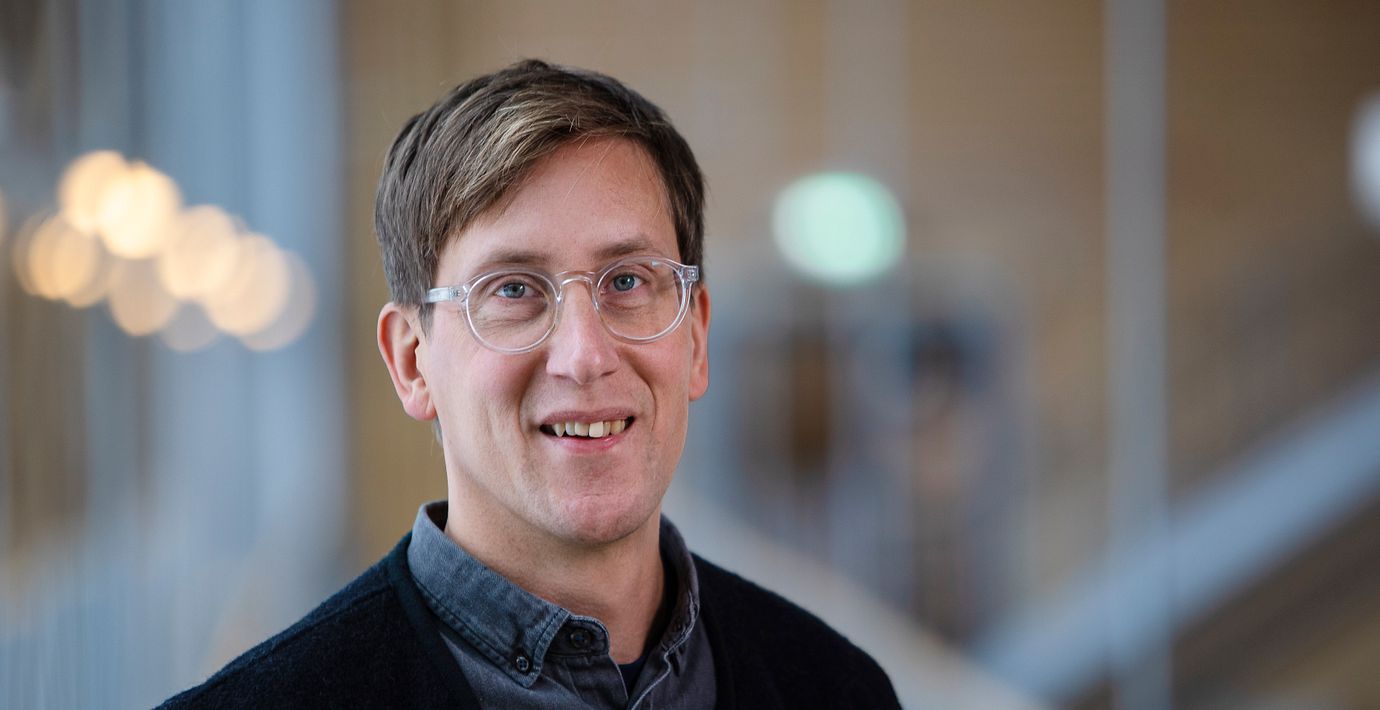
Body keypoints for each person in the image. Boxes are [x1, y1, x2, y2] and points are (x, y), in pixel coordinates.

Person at [161, 59, 900, 709]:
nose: (584, 356)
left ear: (697, 338)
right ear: (413, 362)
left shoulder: (838, 692)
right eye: (513, 290)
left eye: (627, 281)